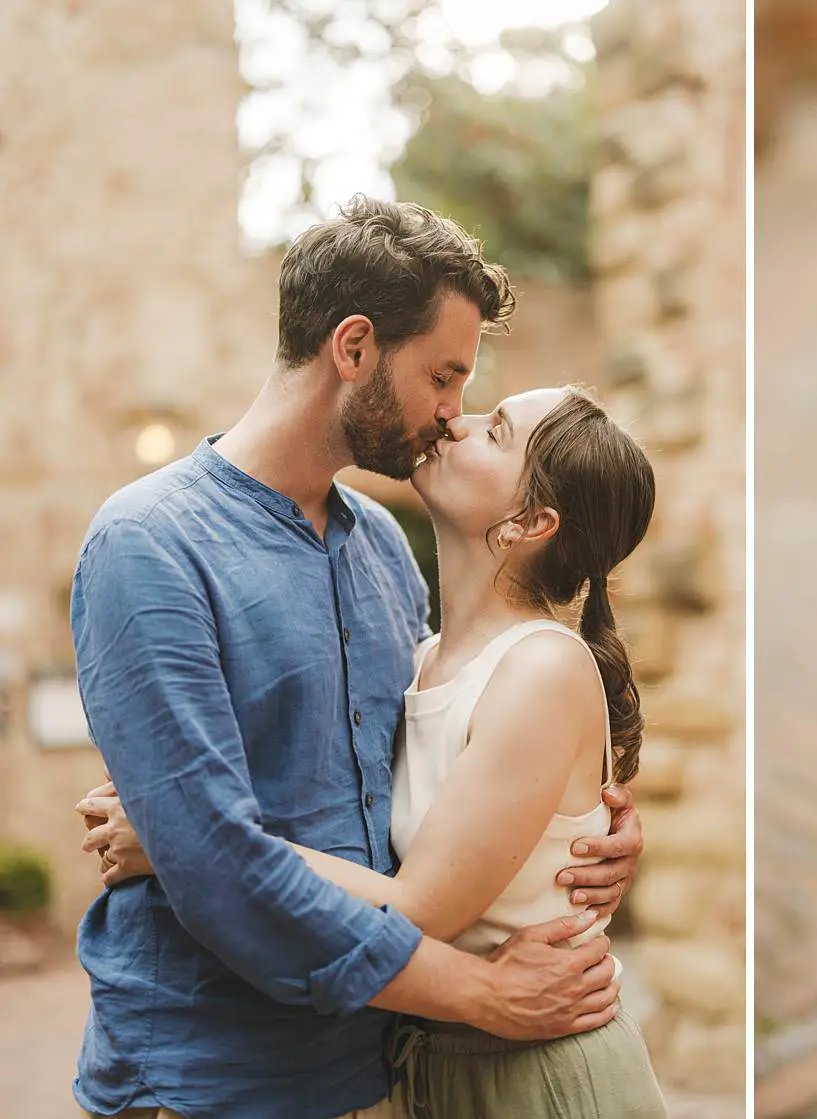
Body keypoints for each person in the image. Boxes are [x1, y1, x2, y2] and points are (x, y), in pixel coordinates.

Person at [69, 197, 644, 1119]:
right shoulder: (150, 543)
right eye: (445, 376)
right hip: (208, 1076)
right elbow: (220, 871)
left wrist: (581, 838)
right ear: (354, 348)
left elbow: (432, 792)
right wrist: (480, 991)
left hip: (378, 1072)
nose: (453, 415)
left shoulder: (380, 546)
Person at [287, 384, 667, 1117]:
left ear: (529, 522)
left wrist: (191, 838)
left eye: (493, 431)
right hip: (437, 1063)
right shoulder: (424, 655)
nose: (454, 422)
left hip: (541, 1074)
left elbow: (417, 908)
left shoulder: (542, 668)